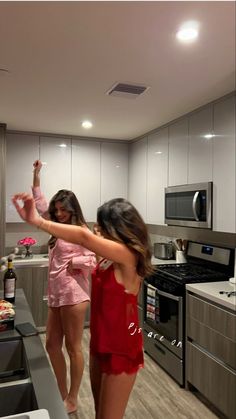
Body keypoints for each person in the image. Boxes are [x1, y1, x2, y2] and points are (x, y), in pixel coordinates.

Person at [12, 192, 153, 419]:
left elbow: (82, 237)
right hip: (100, 345)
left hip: (121, 348)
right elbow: (80, 240)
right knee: (100, 412)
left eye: (104, 227)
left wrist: (38, 221)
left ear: (120, 228)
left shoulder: (129, 257)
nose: (99, 231)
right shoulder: (107, 258)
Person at [31, 160, 96, 414]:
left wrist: (75, 262)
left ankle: (72, 396)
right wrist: (36, 174)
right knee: (51, 345)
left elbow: (94, 260)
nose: (58, 214)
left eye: (63, 210)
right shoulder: (58, 227)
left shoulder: (81, 230)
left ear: (73, 209)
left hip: (74, 294)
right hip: (56, 294)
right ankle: (60, 391)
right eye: (56, 210)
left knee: (73, 347)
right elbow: (38, 204)